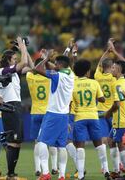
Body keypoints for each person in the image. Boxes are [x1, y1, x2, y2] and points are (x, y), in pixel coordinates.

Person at [33, 51, 74, 180]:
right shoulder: (70, 74)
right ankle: (61, 175)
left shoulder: (58, 76)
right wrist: (49, 59)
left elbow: (37, 69)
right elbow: (55, 67)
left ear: (59, 65)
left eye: (55, 64)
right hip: (64, 115)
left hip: (53, 114)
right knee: (61, 145)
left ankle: (45, 173)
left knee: (41, 142)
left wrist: (45, 60)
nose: (53, 65)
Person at [0, 37, 31, 179]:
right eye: (14, 58)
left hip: (15, 106)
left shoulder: (13, 73)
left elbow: (29, 66)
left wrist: (25, 49)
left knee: (17, 142)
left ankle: (12, 173)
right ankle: (10, 175)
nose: (16, 60)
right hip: (10, 106)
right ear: (8, 60)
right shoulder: (4, 71)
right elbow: (23, 63)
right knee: (13, 141)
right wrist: (21, 45)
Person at [71, 59, 110, 180]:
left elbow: (70, 102)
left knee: (80, 146)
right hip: (93, 116)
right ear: (88, 72)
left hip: (79, 117)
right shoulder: (94, 83)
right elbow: (102, 99)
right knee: (99, 144)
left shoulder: (73, 84)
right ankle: (106, 170)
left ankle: (81, 175)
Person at [105, 60, 125, 178]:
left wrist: (108, 113)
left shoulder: (117, 84)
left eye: (114, 68)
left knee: (121, 145)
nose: (112, 69)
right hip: (122, 117)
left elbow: (116, 104)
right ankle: (117, 171)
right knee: (110, 141)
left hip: (121, 119)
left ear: (119, 69)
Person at [26, 58, 52, 177]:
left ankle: (38, 168)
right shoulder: (49, 78)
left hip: (35, 112)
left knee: (37, 142)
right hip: (48, 112)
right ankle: (54, 167)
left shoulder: (31, 77)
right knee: (49, 142)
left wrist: (24, 49)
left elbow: (31, 68)